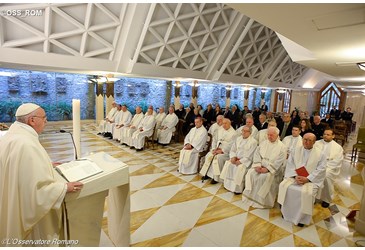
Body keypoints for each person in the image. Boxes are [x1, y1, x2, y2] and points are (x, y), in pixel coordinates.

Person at [0, 103, 83, 246]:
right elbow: (35, 192)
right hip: (30, 219)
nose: (46, 121)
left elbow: (21, 168)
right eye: (44, 117)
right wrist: (63, 188)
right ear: (32, 120)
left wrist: (47, 165)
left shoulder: (14, 135)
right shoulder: (25, 143)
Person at [278, 133, 326, 227]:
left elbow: (321, 169)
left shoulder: (320, 154)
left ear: (314, 142)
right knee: (284, 186)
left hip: (311, 180)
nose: (306, 142)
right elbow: (290, 164)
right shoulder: (295, 150)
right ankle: (286, 213)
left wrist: (308, 179)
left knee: (306, 193)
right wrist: (295, 176)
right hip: (295, 177)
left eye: (309, 140)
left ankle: (301, 219)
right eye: (304, 139)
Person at [242, 127, 287, 208]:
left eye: (272, 135)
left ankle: (263, 202)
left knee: (264, 177)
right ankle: (250, 197)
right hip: (260, 166)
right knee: (251, 173)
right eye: (268, 135)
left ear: (277, 135)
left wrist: (267, 169)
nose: (269, 137)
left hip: (273, 170)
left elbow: (279, 161)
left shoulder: (282, 147)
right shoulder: (263, 143)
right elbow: (257, 154)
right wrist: (257, 165)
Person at [220, 126, 257, 194]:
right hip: (235, 159)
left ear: (250, 133)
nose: (244, 132)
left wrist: (240, 161)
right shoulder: (238, 139)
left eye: (246, 131)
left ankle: (237, 189)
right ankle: (228, 185)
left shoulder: (253, 142)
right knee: (229, 164)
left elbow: (250, 155)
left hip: (245, 162)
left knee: (239, 168)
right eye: (243, 130)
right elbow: (233, 150)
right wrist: (233, 157)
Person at [199, 118, 236, 184]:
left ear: (230, 124)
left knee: (218, 158)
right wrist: (214, 149)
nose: (224, 125)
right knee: (208, 155)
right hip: (216, 149)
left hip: (226, 152)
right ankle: (207, 174)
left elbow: (232, 145)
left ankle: (216, 177)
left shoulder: (233, 133)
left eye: (225, 123)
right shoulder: (220, 129)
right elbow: (214, 140)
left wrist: (222, 150)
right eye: (223, 123)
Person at [315, 129, 343, 208]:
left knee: (326, 176)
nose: (325, 136)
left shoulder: (338, 148)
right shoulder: (317, 143)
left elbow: (337, 161)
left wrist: (325, 167)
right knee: (311, 175)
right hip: (316, 165)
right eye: (324, 134)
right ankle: (312, 196)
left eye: (328, 135)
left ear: (333, 136)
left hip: (329, 167)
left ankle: (326, 199)